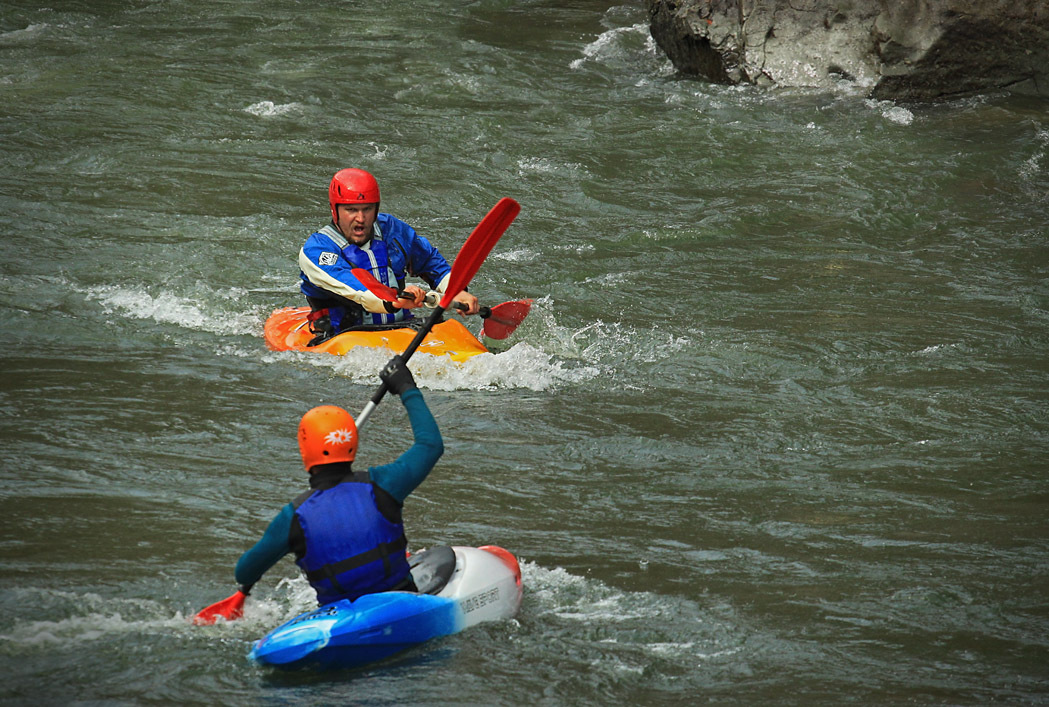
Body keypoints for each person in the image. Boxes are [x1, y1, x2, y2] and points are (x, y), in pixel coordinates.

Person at [233, 356, 443, 605]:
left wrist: (248, 581)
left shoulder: (293, 518)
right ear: (352, 444)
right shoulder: (382, 485)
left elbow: (244, 571)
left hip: (337, 617)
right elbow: (430, 445)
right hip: (401, 599)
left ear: (304, 451)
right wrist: (407, 388)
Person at [299, 168, 479, 343]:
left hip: (401, 327)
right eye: (351, 210)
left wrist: (456, 291)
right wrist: (394, 300)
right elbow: (352, 286)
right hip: (341, 335)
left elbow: (430, 261)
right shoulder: (317, 250)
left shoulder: (392, 230)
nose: (361, 219)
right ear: (335, 210)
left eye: (367, 209)